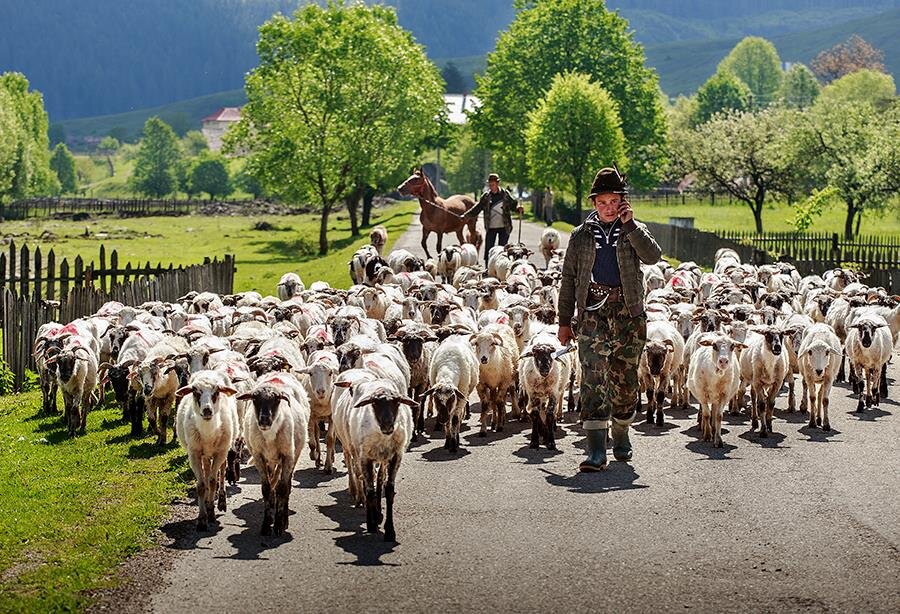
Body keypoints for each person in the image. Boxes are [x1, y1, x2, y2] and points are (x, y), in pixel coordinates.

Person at [557, 167, 661, 472]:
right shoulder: (580, 236)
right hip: (592, 313)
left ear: (623, 202)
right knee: (591, 376)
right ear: (594, 203)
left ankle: (622, 432)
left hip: (628, 313)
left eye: (614, 201)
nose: (608, 208)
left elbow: (653, 256)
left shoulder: (633, 231)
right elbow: (569, 278)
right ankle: (596, 450)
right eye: (602, 202)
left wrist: (631, 227)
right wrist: (564, 321)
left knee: (624, 377)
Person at [464, 173, 524, 266]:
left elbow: (513, 206)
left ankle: (502, 267)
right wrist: (466, 215)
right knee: (489, 248)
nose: (491, 186)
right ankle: (488, 267)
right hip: (491, 226)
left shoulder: (505, 194)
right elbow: (477, 208)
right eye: (490, 184)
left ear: (497, 183)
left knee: (502, 249)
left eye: (493, 184)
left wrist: (519, 209)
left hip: (504, 226)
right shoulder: (486, 196)